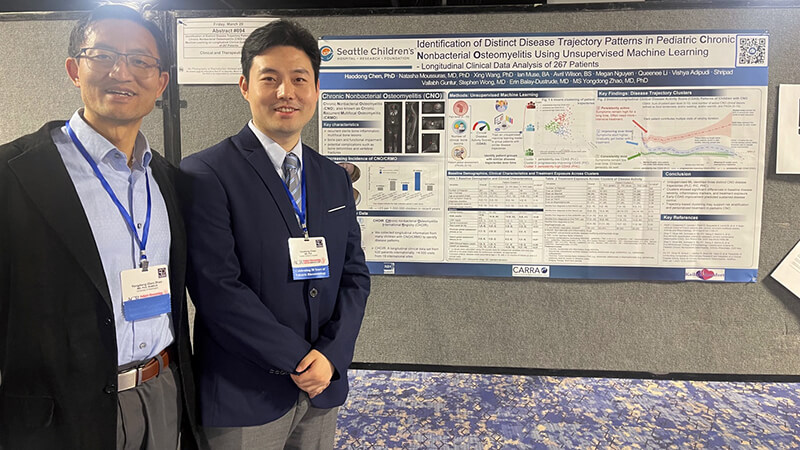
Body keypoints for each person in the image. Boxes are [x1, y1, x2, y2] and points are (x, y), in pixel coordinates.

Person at [0, 5, 202, 449]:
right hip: (60, 412)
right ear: (74, 69)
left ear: (161, 81)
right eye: (103, 55)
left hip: (162, 390)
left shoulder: (169, 181)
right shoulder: (14, 173)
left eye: (140, 61)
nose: (121, 72)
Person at [180, 19, 371, 449]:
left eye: (299, 79)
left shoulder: (332, 178)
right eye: (271, 79)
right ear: (245, 86)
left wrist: (330, 357)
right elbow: (216, 289)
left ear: (317, 90)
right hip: (244, 391)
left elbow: (355, 276)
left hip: (322, 387)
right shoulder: (206, 173)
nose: (286, 92)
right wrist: (299, 359)